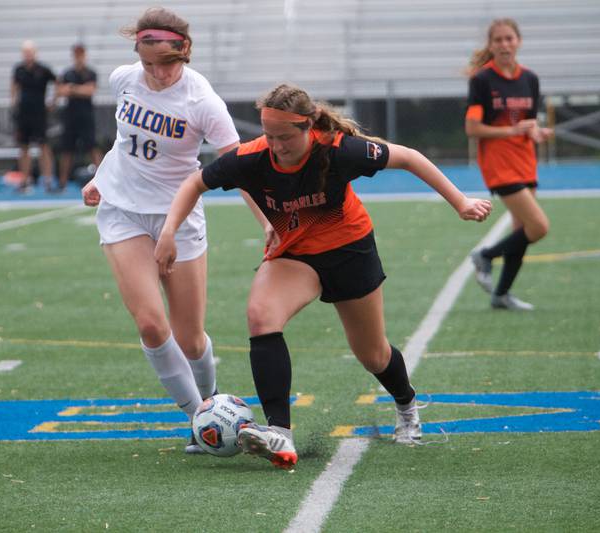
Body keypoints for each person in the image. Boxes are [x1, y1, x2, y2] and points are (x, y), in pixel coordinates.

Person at [154, 84, 492, 469]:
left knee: (373, 353)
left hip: (349, 250)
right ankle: (280, 432)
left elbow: (410, 158)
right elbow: (194, 184)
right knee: (261, 316)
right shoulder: (251, 158)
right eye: (269, 135)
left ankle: (407, 405)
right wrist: (168, 233)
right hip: (295, 255)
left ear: (307, 127)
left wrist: (460, 201)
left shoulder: (338, 149)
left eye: (284, 137)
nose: (276, 145)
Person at [81, 7, 240, 454]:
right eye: (149, 64)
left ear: (184, 53)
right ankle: (201, 420)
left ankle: (209, 400)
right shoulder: (123, 79)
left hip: (180, 216)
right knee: (152, 324)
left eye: (166, 64)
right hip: (122, 212)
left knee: (190, 337)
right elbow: (124, 140)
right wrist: (101, 176)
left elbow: (240, 167)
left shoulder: (203, 102)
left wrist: (269, 221)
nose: (157, 74)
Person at [465, 18, 553, 311]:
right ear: (491, 45)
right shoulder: (482, 80)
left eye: (509, 39)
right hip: (499, 164)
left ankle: (501, 294)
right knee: (539, 226)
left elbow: (526, 123)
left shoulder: (530, 78)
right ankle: (486, 255)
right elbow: (473, 128)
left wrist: (537, 132)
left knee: (522, 230)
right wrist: (511, 131)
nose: (504, 44)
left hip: (525, 160)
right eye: (498, 40)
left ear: (519, 41)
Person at [56, 43, 101, 193]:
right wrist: (77, 89)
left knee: (93, 147)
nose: (79, 57)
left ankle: (103, 180)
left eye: (80, 54)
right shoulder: (67, 73)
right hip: (70, 116)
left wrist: (73, 89)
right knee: (67, 150)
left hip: (86, 115)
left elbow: (90, 91)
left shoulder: (90, 73)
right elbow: (61, 91)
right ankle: (62, 183)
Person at [11, 40, 56, 193]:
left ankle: (48, 180)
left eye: (30, 52)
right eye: (25, 52)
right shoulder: (19, 69)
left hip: (39, 114)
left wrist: (53, 101)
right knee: (24, 147)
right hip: (24, 114)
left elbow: (58, 83)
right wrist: (14, 104)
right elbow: (14, 87)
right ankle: (24, 180)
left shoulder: (43, 70)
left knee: (43, 147)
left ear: (35, 53)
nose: (28, 55)